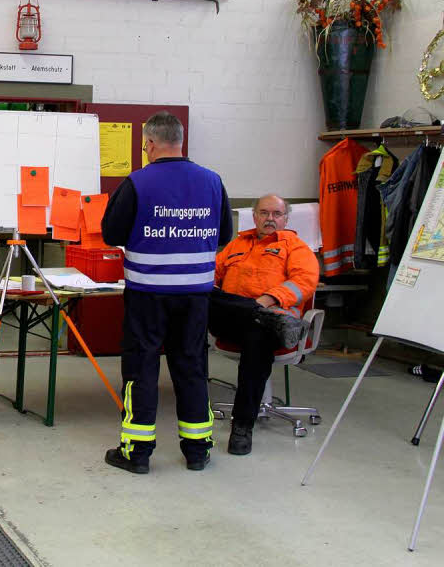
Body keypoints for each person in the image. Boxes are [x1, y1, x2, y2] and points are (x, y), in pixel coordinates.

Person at [102, 112, 233, 474]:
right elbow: (225, 236)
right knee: (191, 365)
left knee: (141, 367)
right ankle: (197, 450)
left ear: (150, 144)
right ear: (180, 141)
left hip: (148, 294)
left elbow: (112, 234)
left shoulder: (137, 182)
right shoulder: (212, 181)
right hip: (196, 295)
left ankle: (137, 452)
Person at [209, 194, 318, 455]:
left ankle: (242, 427)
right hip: (234, 320)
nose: (270, 218)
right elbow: (211, 273)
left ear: (285, 218)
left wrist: (267, 300)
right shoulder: (236, 245)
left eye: (276, 214)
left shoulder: (295, 247)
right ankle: (251, 311)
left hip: (273, 325)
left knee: (257, 339)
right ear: (254, 216)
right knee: (198, 293)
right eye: (264, 213)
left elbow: (304, 281)